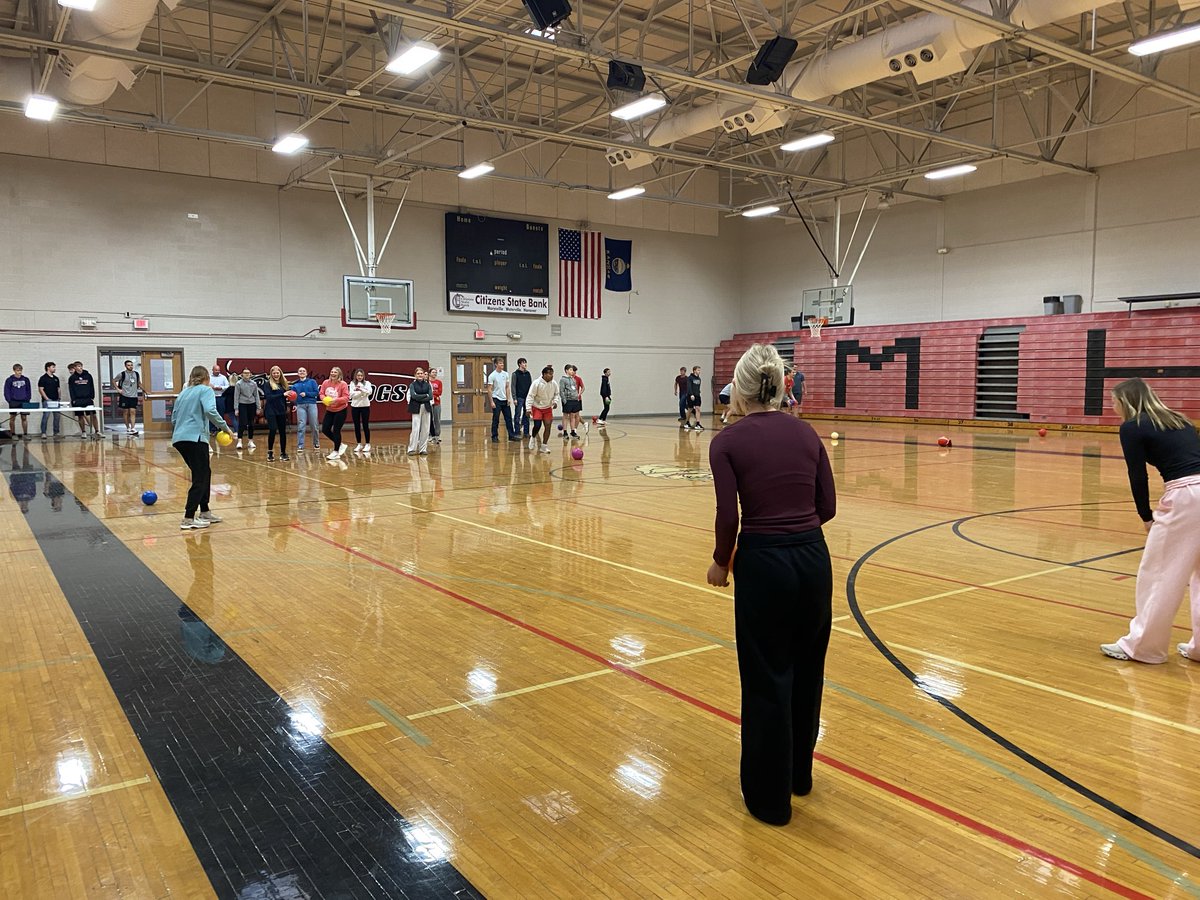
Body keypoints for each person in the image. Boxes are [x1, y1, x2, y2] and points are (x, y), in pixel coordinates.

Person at [706, 343, 836, 826]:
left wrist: (723, 562)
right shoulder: (807, 434)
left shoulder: (727, 442)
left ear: (737, 390)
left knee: (766, 678)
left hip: (763, 565)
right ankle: (799, 775)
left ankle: (769, 799)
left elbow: (728, 514)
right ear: (783, 386)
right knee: (807, 671)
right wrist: (798, 531)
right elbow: (828, 506)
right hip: (813, 558)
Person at [1101, 377, 1200, 664]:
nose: (1112, 406)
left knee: (1158, 573)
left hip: (1186, 496)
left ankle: (1143, 647)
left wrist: (1146, 515)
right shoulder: (1178, 420)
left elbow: (1137, 474)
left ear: (1125, 401)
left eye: (1114, 401)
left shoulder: (1132, 427)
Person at [172, 365, 235, 530]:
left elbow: (174, 417)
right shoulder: (206, 390)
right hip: (195, 438)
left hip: (180, 438)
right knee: (200, 477)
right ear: (207, 377)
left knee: (203, 473)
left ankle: (205, 511)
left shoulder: (183, 393)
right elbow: (210, 411)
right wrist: (226, 428)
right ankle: (188, 517)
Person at [526, 365, 560, 454]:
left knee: (548, 426)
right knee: (537, 425)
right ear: (544, 374)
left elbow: (557, 394)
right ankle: (533, 437)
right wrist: (528, 408)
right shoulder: (536, 383)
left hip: (548, 408)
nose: (552, 376)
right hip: (537, 407)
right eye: (549, 374)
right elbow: (530, 396)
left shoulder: (554, 383)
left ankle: (544, 446)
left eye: (552, 374)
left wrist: (555, 402)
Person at [320, 366, 351, 459]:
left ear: (339, 374)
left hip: (341, 410)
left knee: (336, 430)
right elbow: (321, 393)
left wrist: (336, 400)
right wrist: (324, 399)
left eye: (335, 372)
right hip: (330, 410)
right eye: (332, 372)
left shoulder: (343, 384)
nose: (333, 374)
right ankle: (340, 444)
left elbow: (346, 398)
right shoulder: (326, 383)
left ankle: (336, 451)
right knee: (325, 429)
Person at [262, 365, 290, 462]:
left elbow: (288, 396)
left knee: (283, 432)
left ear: (280, 373)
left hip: (281, 410)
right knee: (273, 430)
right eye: (274, 373)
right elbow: (269, 397)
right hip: (271, 410)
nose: (276, 374)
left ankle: (283, 452)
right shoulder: (267, 384)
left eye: (277, 373)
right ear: (271, 374)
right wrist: (282, 395)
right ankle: (270, 451)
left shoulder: (283, 384)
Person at [67, 362, 101, 438]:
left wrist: (92, 396)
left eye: (81, 366)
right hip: (78, 400)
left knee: (93, 415)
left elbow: (91, 386)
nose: (80, 368)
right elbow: (71, 389)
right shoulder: (72, 378)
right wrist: (73, 399)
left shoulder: (88, 376)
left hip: (88, 399)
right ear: (75, 367)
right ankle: (83, 432)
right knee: (80, 416)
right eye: (78, 366)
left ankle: (97, 431)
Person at [487, 358, 517, 443]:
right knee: (496, 419)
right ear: (496, 364)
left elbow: (507, 387)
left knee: (508, 418)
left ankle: (511, 435)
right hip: (496, 399)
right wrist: (492, 401)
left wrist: (508, 398)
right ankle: (494, 436)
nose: (502, 365)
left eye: (502, 363)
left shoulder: (506, 374)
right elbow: (489, 389)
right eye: (500, 363)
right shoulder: (492, 375)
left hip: (505, 400)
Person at [292, 366, 320, 452]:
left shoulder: (312, 382)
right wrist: (295, 404)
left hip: (311, 404)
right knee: (301, 425)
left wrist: (306, 394)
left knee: (314, 424)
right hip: (300, 405)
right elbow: (293, 396)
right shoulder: (295, 384)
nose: (302, 372)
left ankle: (316, 442)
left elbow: (316, 392)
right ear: (298, 373)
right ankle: (300, 445)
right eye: (300, 371)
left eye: (303, 371)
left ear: (306, 373)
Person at [233, 368, 262, 450]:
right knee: (242, 423)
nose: (246, 374)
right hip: (242, 404)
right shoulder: (238, 384)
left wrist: (258, 407)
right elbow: (236, 396)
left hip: (251, 404)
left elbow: (256, 395)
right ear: (242, 374)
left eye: (248, 373)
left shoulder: (253, 383)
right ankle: (239, 441)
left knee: (251, 423)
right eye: (245, 373)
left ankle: (250, 441)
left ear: (250, 374)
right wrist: (236, 408)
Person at [407, 367, 433, 455]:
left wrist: (420, 396)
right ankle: (411, 449)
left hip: (426, 407)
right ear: (415, 375)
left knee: (425, 429)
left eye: (421, 373)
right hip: (416, 408)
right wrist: (424, 396)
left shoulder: (428, 385)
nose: (420, 375)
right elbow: (413, 396)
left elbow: (430, 397)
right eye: (418, 373)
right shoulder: (412, 385)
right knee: (415, 428)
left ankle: (423, 449)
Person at [113, 359, 142, 436]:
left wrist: (145, 390)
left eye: (131, 365)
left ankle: (133, 427)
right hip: (124, 396)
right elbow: (114, 380)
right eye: (128, 365)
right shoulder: (122, 374)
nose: (130, 366)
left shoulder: (136, 374)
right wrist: (118, 389)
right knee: (126, 412)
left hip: (133, 396)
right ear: (125, 366)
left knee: (133, 412)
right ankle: (127, 427)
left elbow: (139, 383)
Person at [349, 368, 374, 453]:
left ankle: (367, 444)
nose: (359, 377)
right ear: (355, 376)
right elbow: (352, 395)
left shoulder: (367, 383)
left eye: (361, 375)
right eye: (358, 375)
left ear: (363, 376)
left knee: (365, 425)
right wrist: (362, 392)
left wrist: (360, 390)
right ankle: (359, 443)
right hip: (355, 407)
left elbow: (369, 392)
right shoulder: (352, 383)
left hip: (365, 406)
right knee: (357, 426)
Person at [5, 363, 32, 438]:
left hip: (24, 401)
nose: (19, 372)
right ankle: (13, 434)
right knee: (12, 418)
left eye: (20, 370)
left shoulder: (26, 379)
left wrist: (28, 399)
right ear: (14, 371)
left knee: (24, 417)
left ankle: (25, 434)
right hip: (13, 401)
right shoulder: (9, 380)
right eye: (17, 370)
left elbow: (28, 390)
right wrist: (9, 400)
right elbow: (6, 391)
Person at [38, 362, 62, 439]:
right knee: (46, 416)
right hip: (47, 400)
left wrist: (59, 398)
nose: (54, 368)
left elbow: (58, 389)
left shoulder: (56, 378)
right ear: (48, 368)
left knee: (57, 416)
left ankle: (56, 432)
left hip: (56, 400)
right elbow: (41, 389)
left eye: (54, 367)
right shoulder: (43, 378)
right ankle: (43, 432)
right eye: (53, 367)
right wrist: (47, 399)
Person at [512, 358, 532, 438]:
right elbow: (513, 386)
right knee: (517, 415)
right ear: (519, 364)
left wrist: (531, 397)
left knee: (527, 414)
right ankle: (517, 432)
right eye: (523, 363)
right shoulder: (515, 374)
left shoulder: (528, 373)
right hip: (519, 397)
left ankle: (526, 432)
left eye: (525, 362)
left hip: (527, 397)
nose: (525, 364)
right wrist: (514, 398)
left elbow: (530, 385)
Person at [559, 365, 581, 439]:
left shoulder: (573, 379)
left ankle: (573, 431)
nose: (572, 371)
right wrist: (564, 400)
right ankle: (565, 432)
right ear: (566, 370)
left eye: (572, 370)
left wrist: (577, 397)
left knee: (573, 416)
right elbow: (561, 391)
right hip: (567, 400)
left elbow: (575, 389)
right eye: (571, 370)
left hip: (574, 400)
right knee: (565, 416)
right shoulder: (563, 379)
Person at [685, 365, 704, 431]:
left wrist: (698, 393)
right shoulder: (690, 378)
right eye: (698, 370)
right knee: (690, 409)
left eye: (699, 370)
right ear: (694, 371)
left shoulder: (699, 379)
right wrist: (691, 394)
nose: (699, 371)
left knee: (698, 408)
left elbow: (698, 387)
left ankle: (698, 424)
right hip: (691, 396)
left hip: (697, 395)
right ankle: (687, 422)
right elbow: (689, 387)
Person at [428, 368, 443, 444]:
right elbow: (428, 392)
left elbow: (439, 392)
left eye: (435, 372)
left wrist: (433, 393)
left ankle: (437, 435)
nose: (434, 373)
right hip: (429, 402)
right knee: (430, 419)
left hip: (437, 403)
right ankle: (430, 435)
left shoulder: (439, 382)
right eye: (433, 372)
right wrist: (433, 393)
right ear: (429, 373)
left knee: (437, 419)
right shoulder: (427, 382)